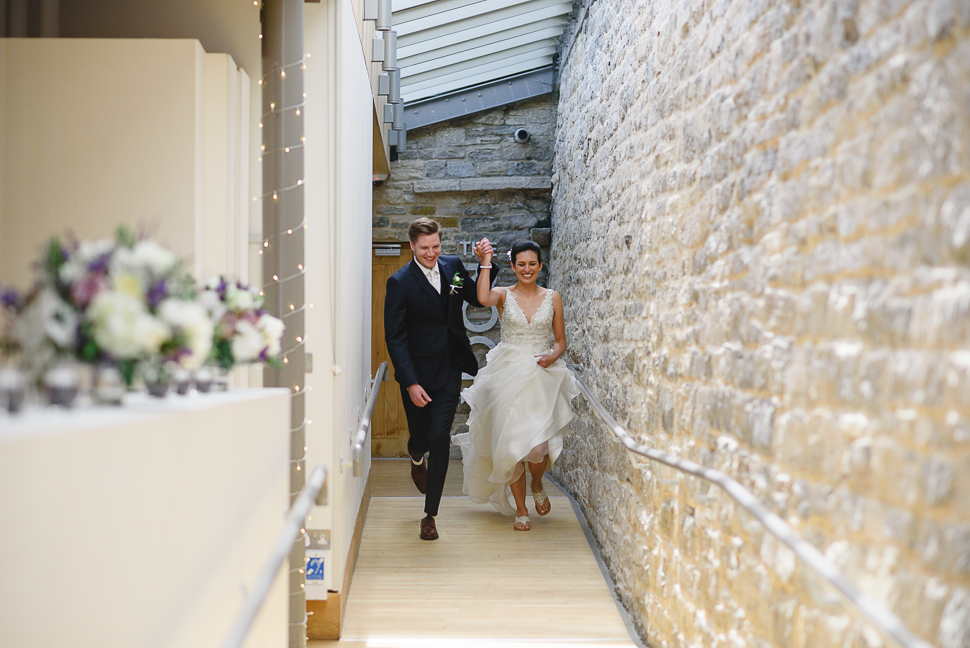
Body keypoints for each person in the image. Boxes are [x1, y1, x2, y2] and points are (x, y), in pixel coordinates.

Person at [453, 239, 579, 531]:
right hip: (507, 375)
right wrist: (485, 261)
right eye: (521, 264)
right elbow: (482, 298)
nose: (526, 269)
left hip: (541, 376)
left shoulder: (553, 297)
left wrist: (553, 354)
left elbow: (560, 341)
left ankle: (537, 482)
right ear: (513, 266)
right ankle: (521, 509)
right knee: (511, 445)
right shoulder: (503, 295)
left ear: (540, 266)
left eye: (532, 264)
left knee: (537, 448)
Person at [384, 218, 497, 541]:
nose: (432, 253)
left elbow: (476, 298)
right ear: (411, 246)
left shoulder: (453, 266)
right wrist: (410, 383)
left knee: (440, 436)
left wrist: (485, 265)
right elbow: (395, 338)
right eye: (424, 249)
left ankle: (430, 515)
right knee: (421, 437)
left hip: (449, 367)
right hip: (417, 375)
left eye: (435, 246)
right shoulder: (399, 282)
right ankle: (414, 454)